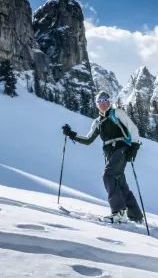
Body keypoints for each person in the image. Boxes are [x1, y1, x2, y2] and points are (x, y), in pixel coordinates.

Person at [62, 90, 144, 223]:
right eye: (99, 101)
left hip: (121, 148)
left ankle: (118, 212)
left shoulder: (117, 113)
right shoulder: (97, 122)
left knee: (108, 176)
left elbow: (133, 129)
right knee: (120, 182)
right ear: (96, 104)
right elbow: (88, 139)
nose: (102, 103)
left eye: (104, 99)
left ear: (108, 101)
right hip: (109, 153)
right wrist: (72, 134)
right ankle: (136, 216)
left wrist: (134, 147)